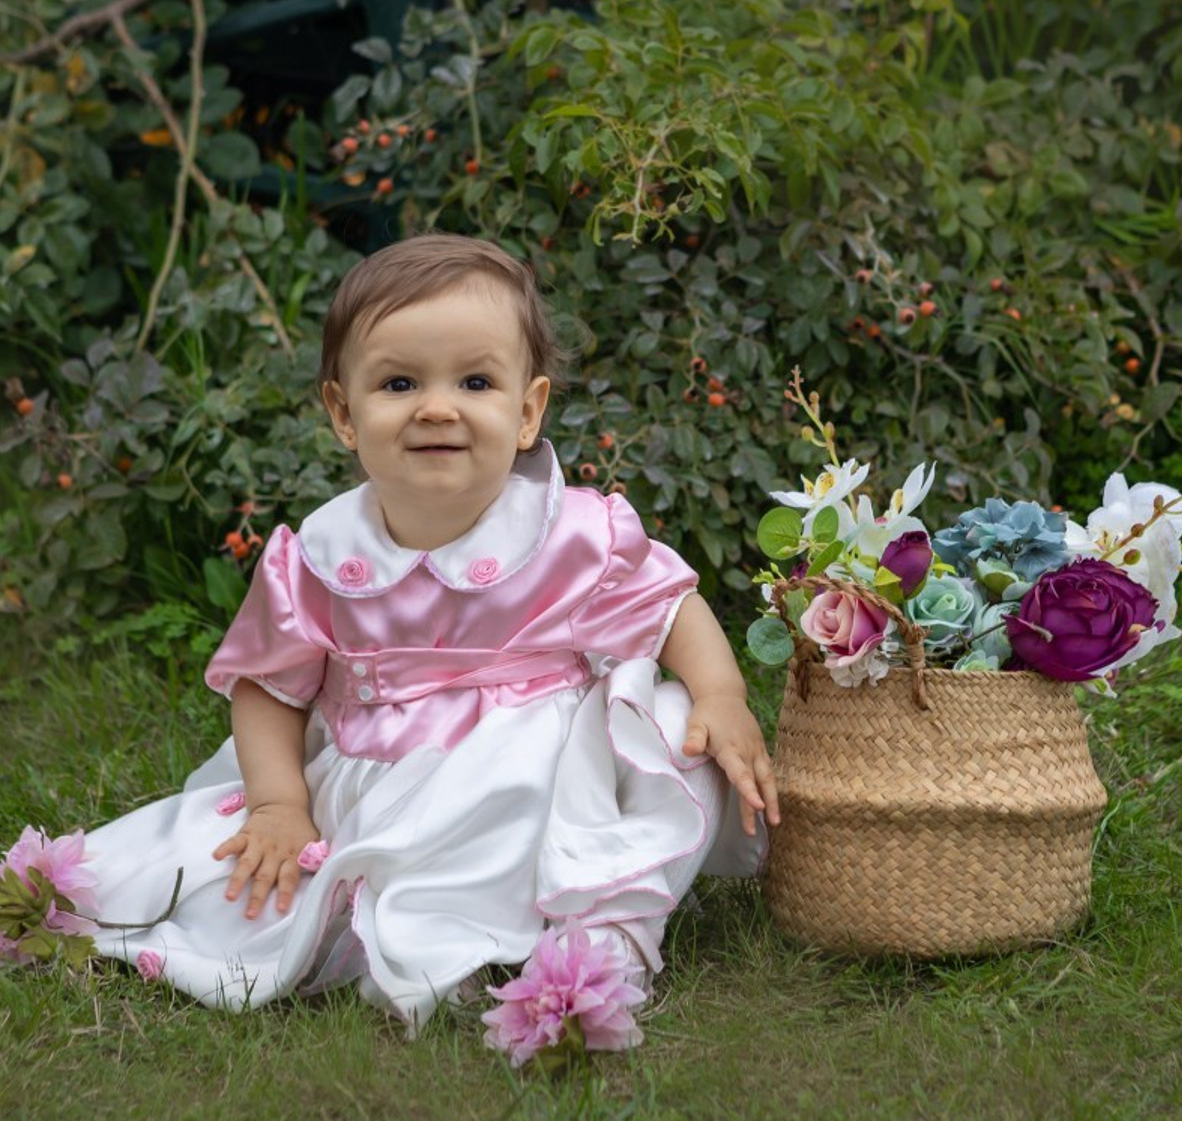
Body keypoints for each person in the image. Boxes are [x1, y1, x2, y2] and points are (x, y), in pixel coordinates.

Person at [76, 232, 779, 1036]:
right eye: (399, 382)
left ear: (526, 412)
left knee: (664, 723)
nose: (437, 407)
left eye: (475, 382)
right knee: (238, 881)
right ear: (345, 413)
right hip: (385, 774)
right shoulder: (321, 558)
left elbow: (668, 607)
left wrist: (721, 692)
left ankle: (600, 935)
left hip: (541, 779)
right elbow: (269, 688)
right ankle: (430, 929)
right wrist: (278, 802)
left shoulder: (571, 534)